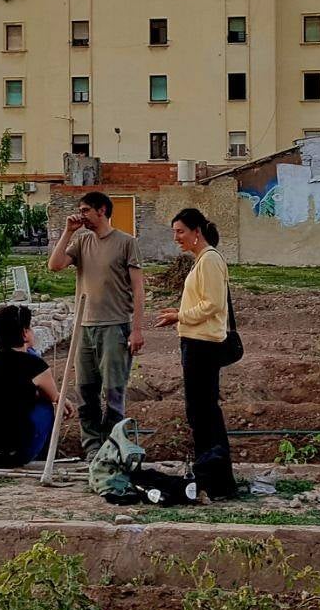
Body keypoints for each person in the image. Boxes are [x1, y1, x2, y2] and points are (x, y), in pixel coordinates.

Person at [46, 191, 143, 461]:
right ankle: (91, 447)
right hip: (84, 327)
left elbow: (138, 288)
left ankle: (112, 447)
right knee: (86, 391)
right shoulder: (81, 241)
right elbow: (54, 265)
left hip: (114, 326)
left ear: (102, 211)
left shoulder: (126, 242)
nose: (82, 215)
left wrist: (136, 329)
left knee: (113, 390)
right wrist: (68, 231)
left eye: (86, 210)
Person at [154, 208, 237, 500]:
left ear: (196, 232)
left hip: (204, 345)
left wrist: (179, 316)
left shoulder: (210, 260)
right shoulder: (202, 261)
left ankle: (215, 480)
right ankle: (212, 478)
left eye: (180, 231)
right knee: (200, 412)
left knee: (204, 413)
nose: (176, 237)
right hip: (196, 341)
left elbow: (212, 304)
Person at [0, 305, 74, 468]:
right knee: (45, 406)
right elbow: (55, 397)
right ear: (24, 333)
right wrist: (61, 399)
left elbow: (8, 392)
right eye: (29, 327)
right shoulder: (35, 365)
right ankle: (44, 458)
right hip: (13, 456)